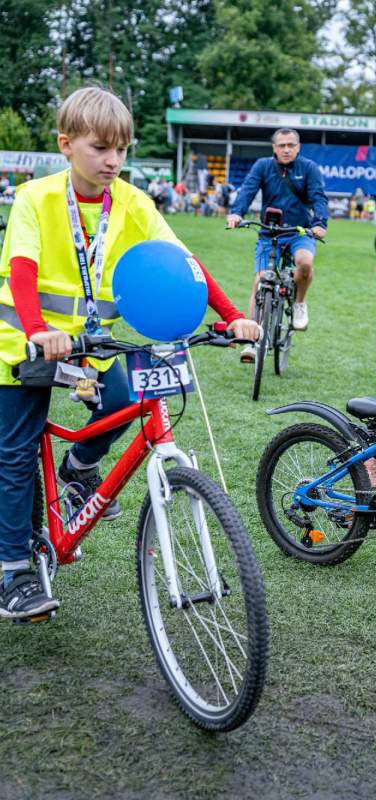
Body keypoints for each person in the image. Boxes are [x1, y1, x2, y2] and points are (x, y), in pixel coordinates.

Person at [0, 86, 260, 622]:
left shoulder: (135, 204)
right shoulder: (36, 198)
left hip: (93, 348)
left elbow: (184, 262)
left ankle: (78, 468)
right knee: (17, 454)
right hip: (23, 343)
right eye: (100, 148)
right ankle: (13, 572)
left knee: (121, 398)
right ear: (66, 145)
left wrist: (233, 314)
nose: (113, 160)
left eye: (121, 148)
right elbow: (22, 271)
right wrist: (37, 329)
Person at [227, 128, 328, 351]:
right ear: (274, 147)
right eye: (281, 145)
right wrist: (236, 213)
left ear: (298, 147)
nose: (286, 149)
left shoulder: (308, 168)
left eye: (291, 145)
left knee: (305, 262)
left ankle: (299, 304)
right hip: (269, 233)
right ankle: (251, 341)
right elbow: (248, 190)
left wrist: (320, 224)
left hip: (299, 232)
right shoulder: (263, 166)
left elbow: (318, 197)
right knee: (260, 281)